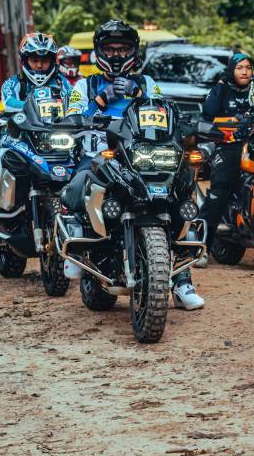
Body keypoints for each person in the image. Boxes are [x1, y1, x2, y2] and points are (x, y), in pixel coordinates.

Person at [63, 19, 204, 310]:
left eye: (123, 49)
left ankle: (182, 282)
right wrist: (101, 100)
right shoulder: (84, 84)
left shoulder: (147, 82)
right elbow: (71, 116)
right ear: (100, 51)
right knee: (76, 186)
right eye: (110, 49)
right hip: (101, 155)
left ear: (133, 52)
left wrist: (138, 94)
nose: (116, 55)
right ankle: (80, 249)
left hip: (143, 155)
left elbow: (166, 113)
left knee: (181, 193)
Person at [0, 31, 73, 243]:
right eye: (34, 60)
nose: (39, 66)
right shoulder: (12, 83)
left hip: (55, 141)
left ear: (52, 61)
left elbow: (75, 104)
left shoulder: (64, 83)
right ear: (25, 61)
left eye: (44, 61)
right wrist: (26, 106)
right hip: (18, 138)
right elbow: (9, 102)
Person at [196, 52, 254, 267]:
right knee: (220, 191)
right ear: (232, 70)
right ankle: (201, 247)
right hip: (229, 144)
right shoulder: (221, 88)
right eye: (240, 67)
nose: (244, 71)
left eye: (248, 67)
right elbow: (208, 115)